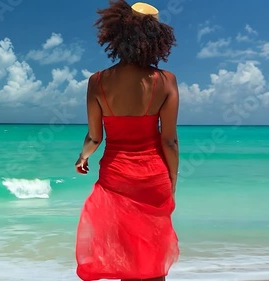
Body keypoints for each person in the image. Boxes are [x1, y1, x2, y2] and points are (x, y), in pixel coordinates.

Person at [74, 1, 180, 281]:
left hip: (116, 178)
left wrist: (83, 157)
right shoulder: (166, 81)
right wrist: (172, 183)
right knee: (153, 262)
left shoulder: (98, 82)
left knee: (127, 260)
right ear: (156, 38)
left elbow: (95, 137)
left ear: (118, 35)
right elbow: (169, 142)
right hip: (153, 179)